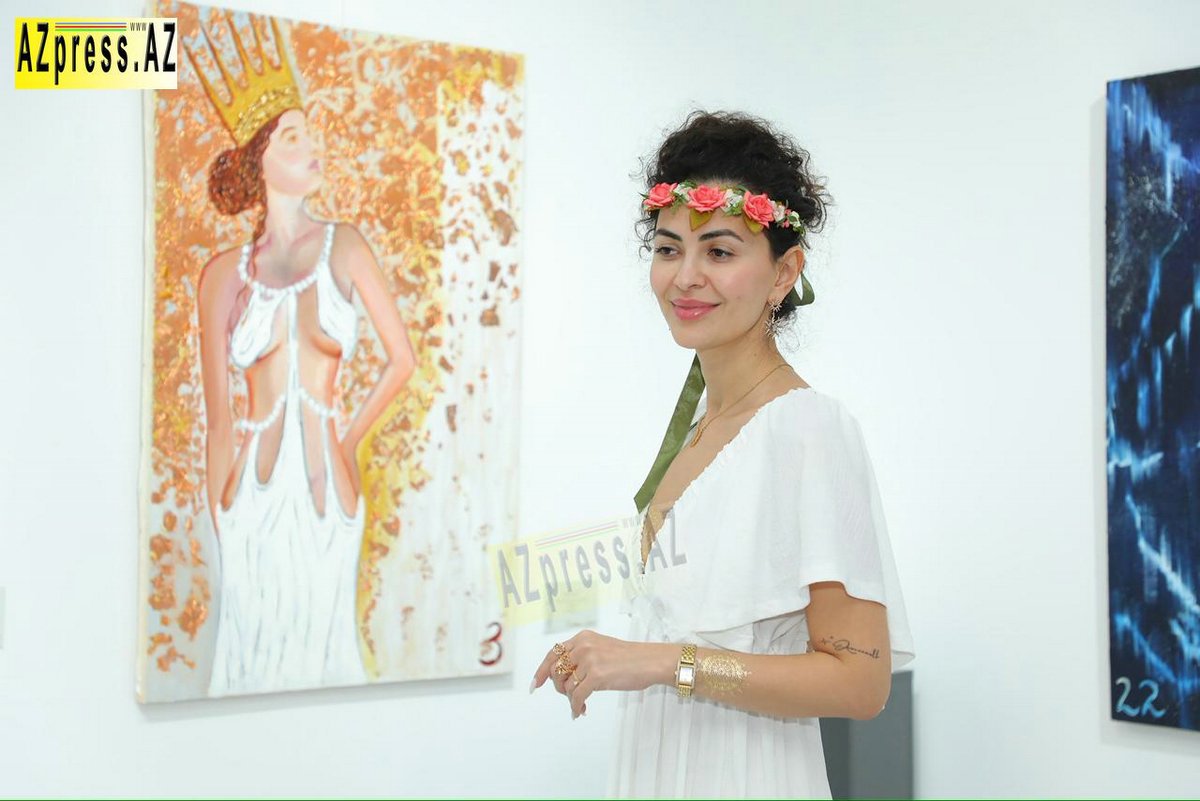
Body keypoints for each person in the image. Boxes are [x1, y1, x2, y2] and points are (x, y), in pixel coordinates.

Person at [530, 111, 915, 798]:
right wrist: (610, 655)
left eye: (719, 252)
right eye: (668, 248)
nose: (685, 277)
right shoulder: (702, 426)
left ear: (783, 272)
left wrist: (660, 663)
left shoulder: (807, 429)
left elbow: (860, 682)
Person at [187, 12, 416, 696]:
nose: (313, 145)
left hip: (327, 500)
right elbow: (218, 422)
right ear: (260, 157)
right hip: (247, 507)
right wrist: (222, 520)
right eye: (294, 136)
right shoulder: (222, 276)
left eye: (310, 132)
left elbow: (402, 361)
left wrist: (345, 442)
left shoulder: (346, 246)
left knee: (326, 658)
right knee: (248, 661)